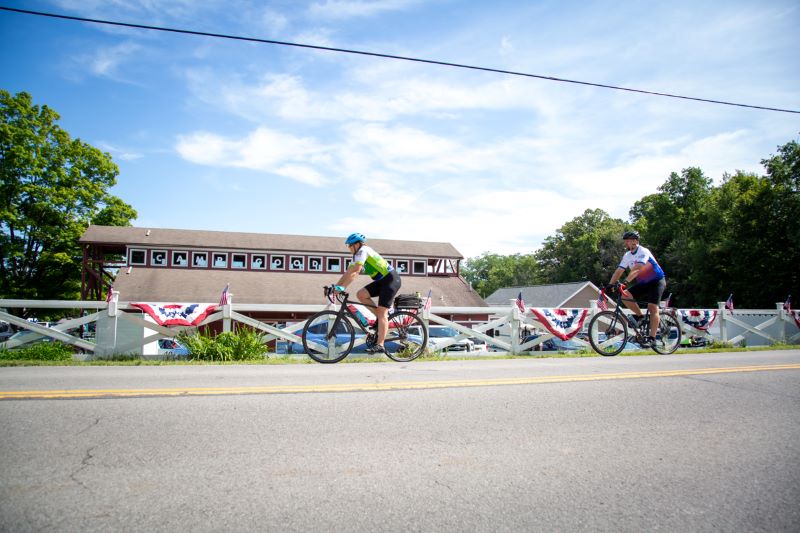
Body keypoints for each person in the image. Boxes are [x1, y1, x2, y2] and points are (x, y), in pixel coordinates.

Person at [333, 233, 401, 354]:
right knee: (361, 294)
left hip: (391, 280)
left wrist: (342, 288)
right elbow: (348, 272)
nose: (349, 248)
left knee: (382, 314)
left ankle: (380, 345)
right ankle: (380, 319)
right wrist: (337, 286)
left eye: (350, 245)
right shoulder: (356, 255)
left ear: (357, 244)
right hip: (382, 281)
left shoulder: (363, 250)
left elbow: (355, 272)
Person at [607, 230, 666, 347]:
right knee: (625, 295)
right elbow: (619, 271)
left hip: (656, 281)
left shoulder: (644, 251)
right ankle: (641, 316)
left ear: (635, 241)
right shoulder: (627, 255)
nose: (625, 243)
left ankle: (652, 338)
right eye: (625, 241)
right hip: (643, 283)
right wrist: (610, 285)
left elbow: (638, 269)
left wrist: (625, 282)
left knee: (652, 307)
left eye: (627, 241)